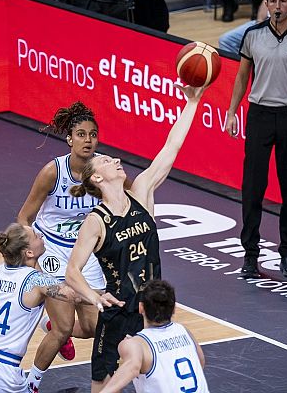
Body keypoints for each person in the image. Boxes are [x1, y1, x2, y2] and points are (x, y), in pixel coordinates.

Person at [65, 84, 206, 392]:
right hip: (117, 312)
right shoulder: (95, 221)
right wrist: (94, 297)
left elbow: (172, 147)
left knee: (158, 382)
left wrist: (192, 102)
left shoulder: (141, 192)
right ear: (97, 178)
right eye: (105, 160)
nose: (114, 159)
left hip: (152, 308)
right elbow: (72, 272)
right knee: (101, 387)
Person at [0, 223, 120, 393]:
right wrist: (101, 298)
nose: (41, 235)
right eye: (36, 236)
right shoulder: (38, 281)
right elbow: (75, 296)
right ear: (29, 253)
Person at [225, 0, 287, 279]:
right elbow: (242, 76)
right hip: (260, 115)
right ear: (266, 4)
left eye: (283, 1)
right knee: (253, 187)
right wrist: (232, 111)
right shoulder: (252, 35)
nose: (277, 6)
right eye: (273, 1)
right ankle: (250, 255)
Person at [16, 102, 106, 392]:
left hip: (85, 252)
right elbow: (24, 217)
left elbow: (129, 196)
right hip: (52, 250)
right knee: (66, 326)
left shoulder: (104, 168)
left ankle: (49, 325)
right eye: (81, 134)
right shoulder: (52, 172)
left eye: (92, 134)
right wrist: (32, 257)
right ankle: (32, 383)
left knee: (94, 327)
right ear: (69, 139)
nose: (88, 140)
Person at [100, 280, 209, 393]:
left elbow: (132, 368)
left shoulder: (135, 344)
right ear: (174, 308)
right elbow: (200, 361)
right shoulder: (184, 331)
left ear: (141, 307)